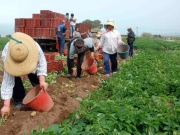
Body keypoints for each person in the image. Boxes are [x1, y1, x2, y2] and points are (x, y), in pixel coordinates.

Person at [0, 32, 48, 119]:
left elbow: (42, 63)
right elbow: (8, 82)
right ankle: (19, 100)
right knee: (14, 77)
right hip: (11, 62)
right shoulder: (7, 55)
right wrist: (6, 105)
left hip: (31, 62)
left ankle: (40, 92)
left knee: (34, 74)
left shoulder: (35, 47)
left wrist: (42, 80)